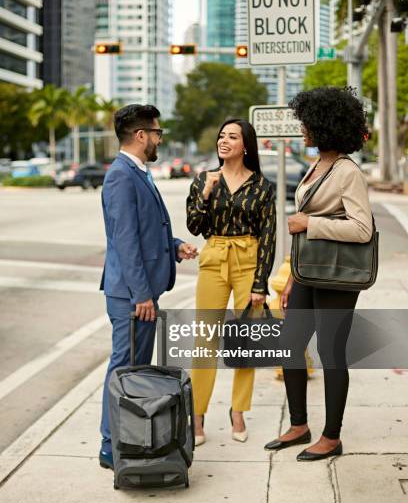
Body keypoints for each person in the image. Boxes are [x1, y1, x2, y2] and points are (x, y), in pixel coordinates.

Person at [264, 86, 373, 460]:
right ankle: (299, 425)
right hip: (308, 272)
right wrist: (293, 275)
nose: (303, 131)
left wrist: (310, 222)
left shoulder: (348, 172)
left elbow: (362, 229)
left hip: (338, 277)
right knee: (290, 344)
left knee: (330, 351)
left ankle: (332, 436)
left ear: (327, 126)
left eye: (308, 124)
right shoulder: (317, 165)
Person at [99, 104, 198, 469]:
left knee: (135, 370)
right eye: (156, 133)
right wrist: (142, 294)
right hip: (131, 295)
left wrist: (174, 247)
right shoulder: (122, 176)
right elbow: (125, 241)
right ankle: (111, 444)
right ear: (141, 135)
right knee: (124, 370)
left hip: (139, 292)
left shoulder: (137, 172)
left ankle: (127, 437)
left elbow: (145, 231)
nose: (159, 139)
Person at [187, 118, 276, 445]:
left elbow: (268, 237)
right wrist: (207, 193)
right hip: (214, 258)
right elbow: (195, 225)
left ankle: (238, 411)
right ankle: (197, 415)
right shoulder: (202, 180)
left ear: (246, 146)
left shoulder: (263, 187)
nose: (224, 141)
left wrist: (260, 285)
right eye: (221, 135)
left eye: (232, 136)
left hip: (248, 260)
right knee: (204, 341)